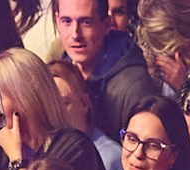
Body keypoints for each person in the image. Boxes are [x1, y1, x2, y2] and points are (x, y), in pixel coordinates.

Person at [48, 0, 158, 134]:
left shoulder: (134, 87)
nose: (75, 34)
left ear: (106, 25)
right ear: (57, 21)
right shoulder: (61, 68)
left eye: (86, 22)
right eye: (67, 21)